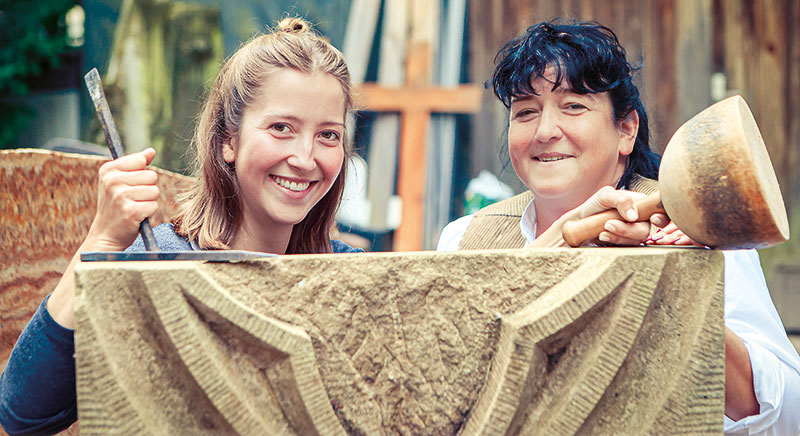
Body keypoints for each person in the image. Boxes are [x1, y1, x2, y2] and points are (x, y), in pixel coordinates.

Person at [0, 16, 361, 436]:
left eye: (329, 135)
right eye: (282, 128)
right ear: (229, 140)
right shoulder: (158, 262)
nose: (305, 156)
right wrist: (100, 241)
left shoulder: (349, 277)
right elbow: (24, 414)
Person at [438, 20, 800, 435]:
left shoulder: (693, 235)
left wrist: (670, 281)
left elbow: (789, 417)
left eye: (574, 106)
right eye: (525, 112)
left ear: (626, 130)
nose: (544, 131)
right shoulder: (464, 237)